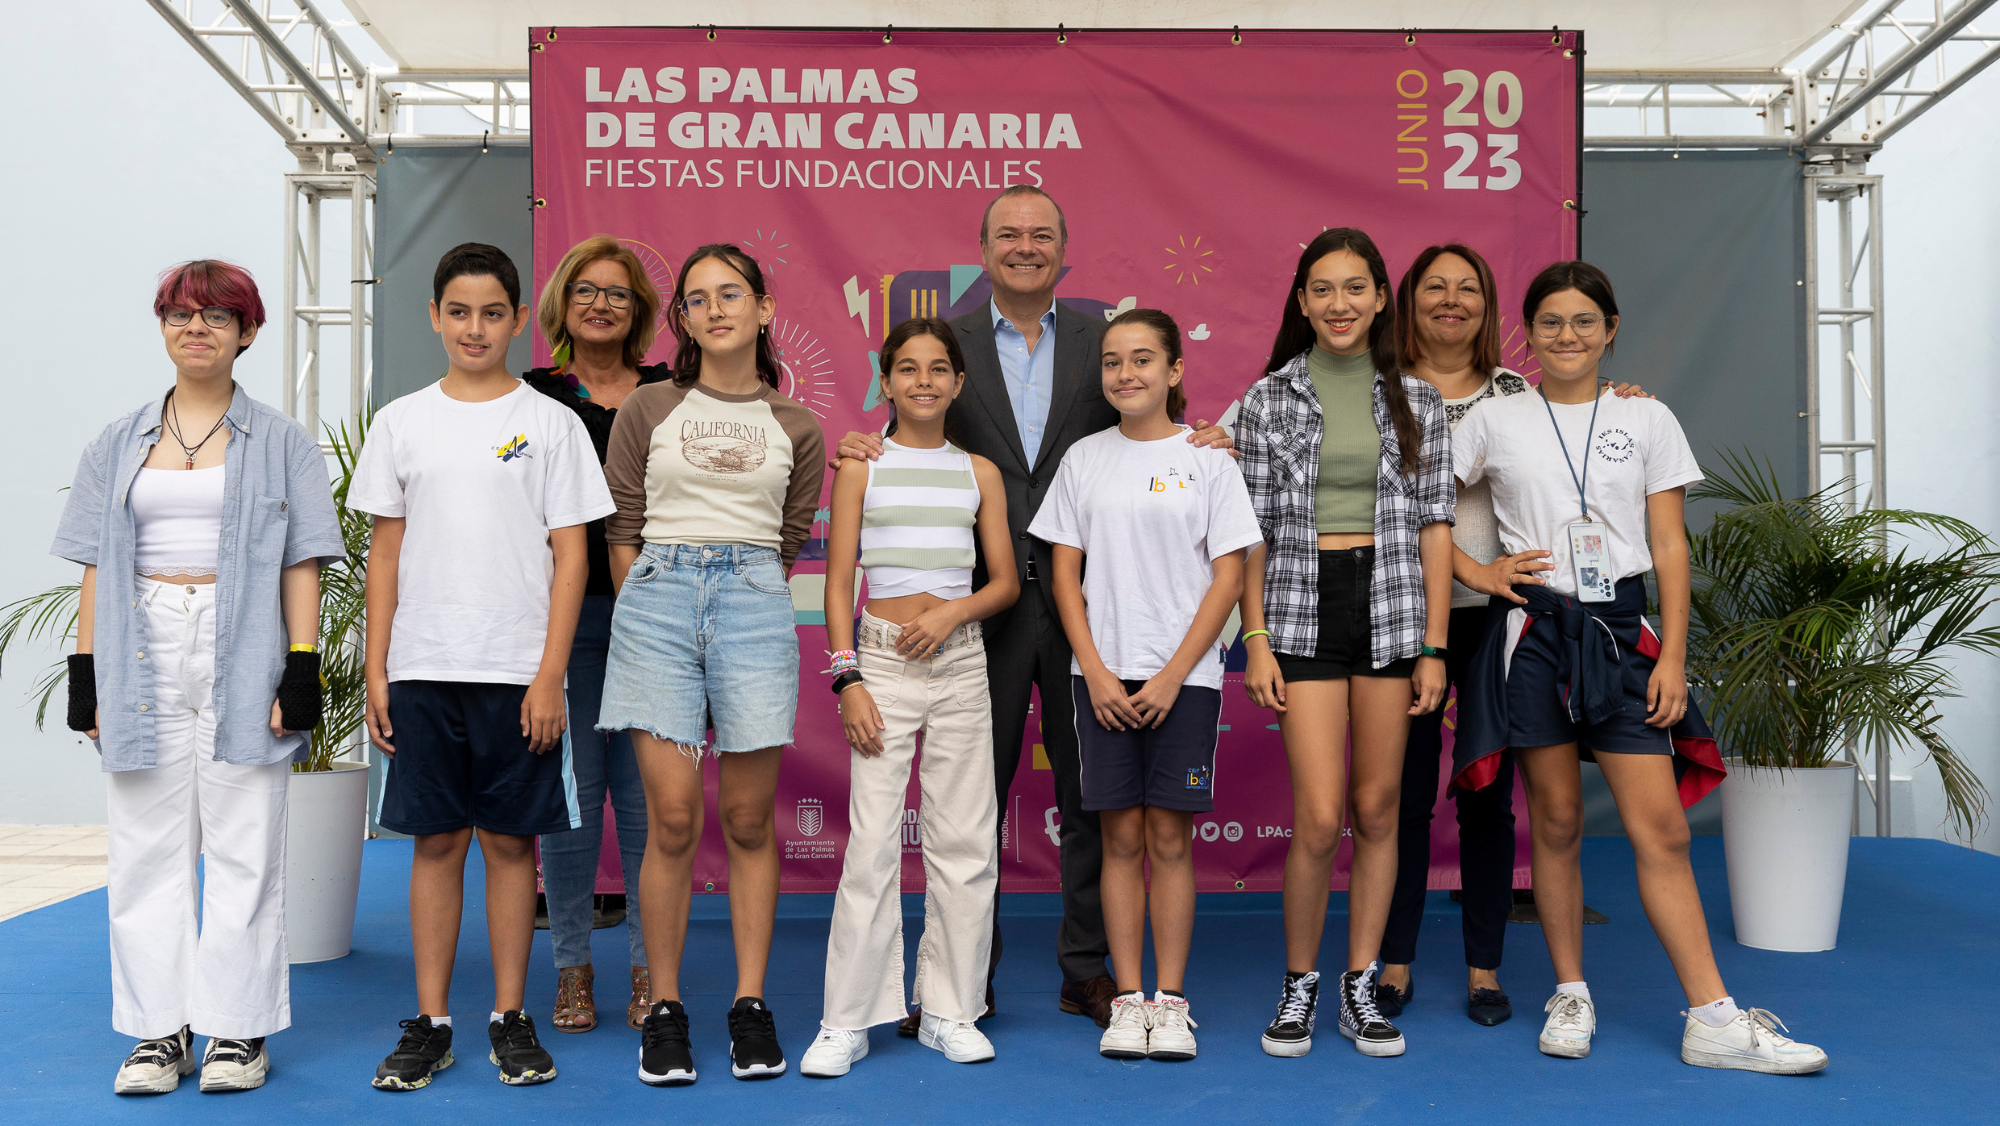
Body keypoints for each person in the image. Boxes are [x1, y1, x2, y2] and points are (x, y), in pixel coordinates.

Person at [833, 186, 1233, 1033]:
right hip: (979, 603)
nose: (1025, 246)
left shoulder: (1102, 340)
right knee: (967, 800)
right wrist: (862, 441)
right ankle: (962, 985)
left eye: (1042, 234)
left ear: (1064, 250)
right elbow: (912, 423)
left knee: (1095, 795)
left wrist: (1209, 438)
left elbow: (1151, 424)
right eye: (1008, 234)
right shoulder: (950, 344)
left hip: (1093, 605)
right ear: (983, 249)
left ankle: (1090, 972)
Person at [1449, 261, 1827, 1074]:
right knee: (1552, 821)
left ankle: (1713, 1018)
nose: (1567, 336)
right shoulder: (1494, 419)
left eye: (1584, 321)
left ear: (1610, 329)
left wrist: (1676, 658)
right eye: (1550, 321)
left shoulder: (1647, 416)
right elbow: (1418, 509)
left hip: (1622, 632)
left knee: (1660, 830)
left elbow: (1667, 545)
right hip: (1535, 629)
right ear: (1529, 332)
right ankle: (1570, 992)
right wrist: (1480, 576)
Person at [53, 260, 342, 1096]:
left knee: (246, 844)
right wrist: (86, 671)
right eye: (182, 314)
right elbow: (98, 566)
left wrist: (301, 667)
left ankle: (236, 1031)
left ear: (247, 333)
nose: (198, 328)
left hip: (243, 638)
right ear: (163, 327)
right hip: (139, 642)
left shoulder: (282, 441)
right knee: (145, 846)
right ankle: (156, 1033)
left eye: (219, 316)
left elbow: (302, 564)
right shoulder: (117, 440)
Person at [353, 242, 614, 1091]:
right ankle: (431, 1023)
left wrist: (548, 676)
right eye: (458, 312)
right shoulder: (401, 422)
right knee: (436, 844)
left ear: (515, 320)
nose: (475, 328)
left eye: (492, 313)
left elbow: (572, 561)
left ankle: (510, 1015)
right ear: (434, 316)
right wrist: (376, 670)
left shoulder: (551, 423)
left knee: (510, 846)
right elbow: (383, 556)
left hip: (518, 674)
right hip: (424, 669)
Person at [1379, 245, 1654, 1028]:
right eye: (1435, 287)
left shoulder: (1514, 393)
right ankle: (1393, 961)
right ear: (1409, 301)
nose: (1452, 300)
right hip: (1408, 616)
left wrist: (1618, 399)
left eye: (1469, 287)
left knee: (1489, 796)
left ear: (1494, 308)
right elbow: (1402, 505)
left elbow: (1585, 428)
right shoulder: (1380, 391)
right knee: (1403, 801)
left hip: (1506, 622)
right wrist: (1474, 567)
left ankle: (1484, 968)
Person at [599, 243, 826, 1087]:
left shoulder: (799, 425)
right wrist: (647, 605)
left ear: (764, 309)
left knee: (748, 820)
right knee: (670, 821)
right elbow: (623, 528)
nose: (716, 308)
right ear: (684, 321)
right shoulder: (648, 408)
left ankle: (750, 1004)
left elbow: (792, 535)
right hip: (656, 600)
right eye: (698, 299)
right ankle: (664, 1008)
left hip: (754, 601)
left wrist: (740, 584)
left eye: (732, 294)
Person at [1236, 228, 1454, 1059]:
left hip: (1393, 611)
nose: (1340, 304)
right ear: (1301, 302)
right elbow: (1247, 535)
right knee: (1321, 817)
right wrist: (1254, 637)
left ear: (1378, 299)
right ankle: (1300, 984)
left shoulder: (1418, 399)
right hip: (1300, 610)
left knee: (1378, 809)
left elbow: (1436, 527)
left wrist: (1434, 644)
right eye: (1323, 290)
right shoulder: (1267, 399)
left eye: (1356, 288)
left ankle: (1361, 987)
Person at [1031, 309, 1261, 1063]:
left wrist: (1172, 674)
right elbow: (1064, 571)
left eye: (1141, 359)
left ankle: (1171, 1002)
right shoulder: (1084, 460)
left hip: (1183, 681)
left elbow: (1229, 573)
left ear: (1174, 371)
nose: (1125, 374)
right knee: (1118, 837)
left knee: (1169, 838)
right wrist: (1094, 668)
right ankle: (1126, 1000)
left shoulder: (1209, 461)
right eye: (1111, 361)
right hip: (1099, 677)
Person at [801, 318, 1019, 1078]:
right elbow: (835, 585)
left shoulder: (979, 473)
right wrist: (847, 676)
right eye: (906, 369)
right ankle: (847, 1019)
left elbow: (1005, 582)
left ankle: (951, 1009)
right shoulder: (862, 465)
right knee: (870, 845)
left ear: (959, 384)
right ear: (885, 382)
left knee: (963, 844)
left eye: (937, 369)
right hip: (881, 667)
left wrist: (953, 612)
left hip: (960, 664)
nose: (923, 381)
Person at [524, 235, 671, 1035]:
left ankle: (652, 967)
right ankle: (572, 969)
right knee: (574, 800)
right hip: (565, 618)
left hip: (658, 617)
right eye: (586, 290)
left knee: (648, 802)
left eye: (618, 292)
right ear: (562, 305)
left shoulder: (672, 393)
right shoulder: (531, 396)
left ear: (639, 309)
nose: (601, 304)